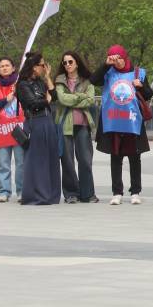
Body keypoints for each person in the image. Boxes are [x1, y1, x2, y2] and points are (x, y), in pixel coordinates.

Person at [90, 45, 152, 205]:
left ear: (124, 57)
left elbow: (148, 94)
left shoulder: (138, 72)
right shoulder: (108, 72)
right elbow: (93, 80)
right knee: (115, 157)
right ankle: (117, 192)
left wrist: (141, 86)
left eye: (118, 58)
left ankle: (135, 192)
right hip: (114, 121)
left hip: (132, 121)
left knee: (134, 157)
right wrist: (106, 65)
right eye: (113, 59)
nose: (116, 62)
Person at [16, 52, 61, 205]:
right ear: (34, 67)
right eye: (42, 65)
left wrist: (48, 77)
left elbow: (54, 96)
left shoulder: (41, 82)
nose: (45, 67)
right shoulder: (23, 84)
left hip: (47, 121)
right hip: (35, 122)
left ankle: (51, 194)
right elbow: (33, 103)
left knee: (51, 158)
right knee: (37, 160)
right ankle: (37, 195)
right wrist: (46, 100)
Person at [54, 51, 96, 204]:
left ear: (77, 63)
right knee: (67, 161)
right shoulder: (60, 80)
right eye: (65, 62)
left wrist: (73, 99)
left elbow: (90, 100)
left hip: (83, 124)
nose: (67, 65)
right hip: (65, 125)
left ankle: (88, 194)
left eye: (70, 62)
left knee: (85, 160)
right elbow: (62, 99)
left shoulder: (87, 81)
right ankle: (71, 193)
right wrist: (80, 96)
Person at [0, 56, 24, 203]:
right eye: (1, 66)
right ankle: (4, 191)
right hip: (2, 130)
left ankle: (21, 191)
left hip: (19, 129)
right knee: (3, 164)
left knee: (21, 163)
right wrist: (5, 100)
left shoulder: (20, 83)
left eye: (7, 65)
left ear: (13, 68)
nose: (4, 68)